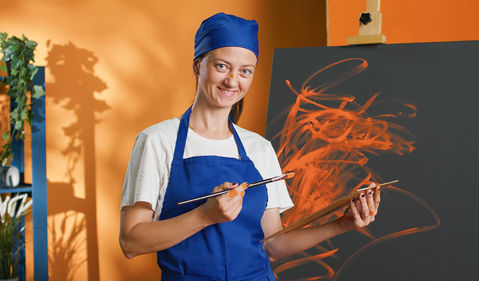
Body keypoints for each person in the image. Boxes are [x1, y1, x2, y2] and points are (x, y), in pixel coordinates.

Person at [119, 12, 381, 281]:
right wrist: (205, 216)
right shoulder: (157, 141)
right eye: (222, 66)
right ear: (198, 66)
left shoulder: (259, 148)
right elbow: (131, 241)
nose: (233, 81)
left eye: (245, 71)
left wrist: (341, 224)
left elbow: (272, 244)